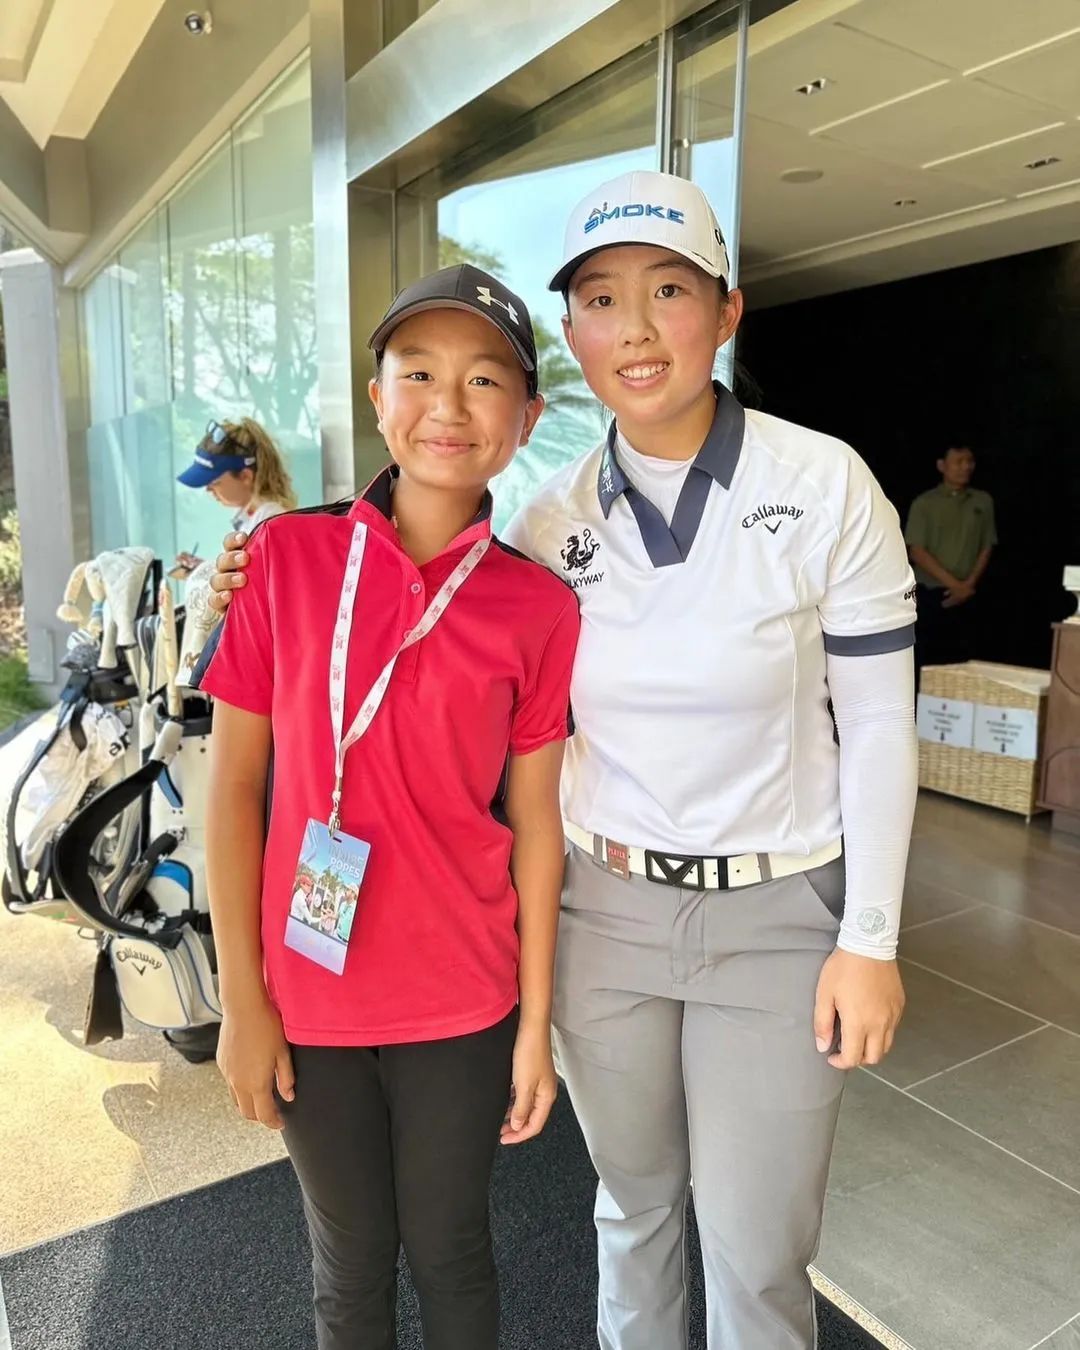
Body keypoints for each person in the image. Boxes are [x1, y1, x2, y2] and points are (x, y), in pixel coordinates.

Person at [208, 172, 917, 1350]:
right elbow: (410, 550)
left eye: (669, 292)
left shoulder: (823, 483)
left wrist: (873, 935)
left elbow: (883, 721)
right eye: (599, 300)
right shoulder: (547, 522)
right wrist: (264, 562)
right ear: (576, 336)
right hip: (606, 912)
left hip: (779, 912)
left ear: (727, 312)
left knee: (755, 1253)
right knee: (631, 1214)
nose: (633, 328)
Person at [199, 265, 579, 1350]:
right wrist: (241, 1001)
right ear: (378, 398)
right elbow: (233, 788)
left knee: (453, 1252)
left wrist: (536, 1026)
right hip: (308, 992)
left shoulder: (538, 606)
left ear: (525, 420)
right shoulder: (283, 559)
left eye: (484, 381)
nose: (448, 406)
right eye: (419, 373)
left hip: (463, 994)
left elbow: (537, 828)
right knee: (350, 1263)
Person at [905, 444, 996, 681]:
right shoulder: (925, 503)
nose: (965, 467)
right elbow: (916, 551)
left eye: (969, 461)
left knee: (965, 664)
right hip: (931, 595)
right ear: (942, 465)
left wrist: (968, 586)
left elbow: (987, 545)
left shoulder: (982, 501)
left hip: (969, 595)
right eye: (958, 461)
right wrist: (955, 585)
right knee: (928, 662)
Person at [173, 418, 299, 574]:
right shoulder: (252, 517)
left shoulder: (270, 522)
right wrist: (205, 568)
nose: (208, 490)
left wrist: (203, 574)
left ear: (246, 476)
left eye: (214, 482)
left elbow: (249, 582)